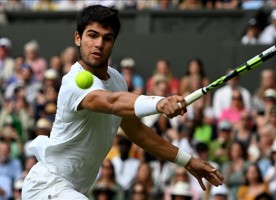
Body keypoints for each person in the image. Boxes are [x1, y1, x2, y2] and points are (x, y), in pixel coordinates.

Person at [21, 5, 223, 200]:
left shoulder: (117, 80)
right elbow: (112, 102)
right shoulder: (74, 81)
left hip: (72, 189)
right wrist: (159, 103)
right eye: (92, 35)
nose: (99, 44)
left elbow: (138, 132)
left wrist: (187, 161)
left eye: (107, 38)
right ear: (78, 38)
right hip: (46, 186)